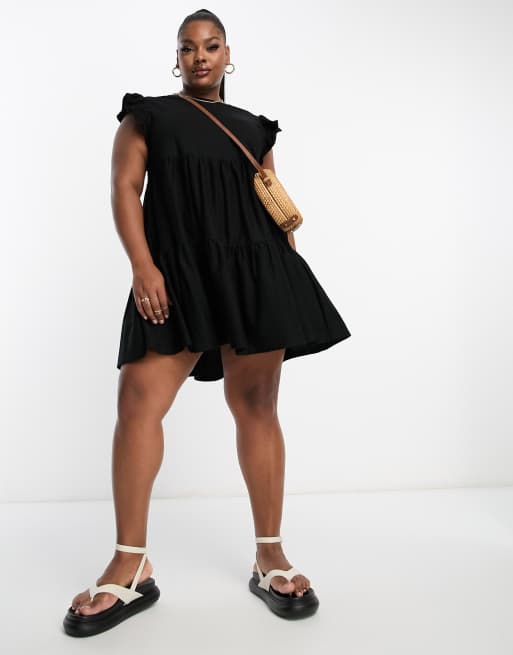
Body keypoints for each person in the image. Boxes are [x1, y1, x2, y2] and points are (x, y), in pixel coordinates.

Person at [63, 7, 351, 637]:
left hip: (255, 273)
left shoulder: (256, 128)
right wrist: (143, 266)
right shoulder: (147, 117)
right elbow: (123, 189)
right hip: (177, 272)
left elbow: (274, 204)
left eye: (211, 45)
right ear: (177, 58)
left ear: (227, 55)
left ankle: (270, 556)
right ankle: (130, 562)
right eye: (188, 47)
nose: (200, 56)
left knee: (257, 407)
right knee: (138, 401)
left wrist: (283, 280)